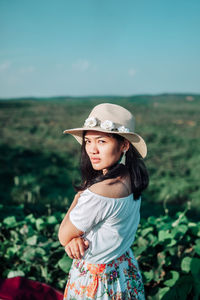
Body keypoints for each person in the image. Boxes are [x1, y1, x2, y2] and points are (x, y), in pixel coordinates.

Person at [58, 103, 149, 300]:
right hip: (123, 269)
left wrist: (79, 196)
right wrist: (75, 238)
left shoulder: (101, 191)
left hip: (97, 280)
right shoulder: (131, 176)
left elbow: (63, 235)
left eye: (101, 141)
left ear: (124, 145)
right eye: (88, 141)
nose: (92, 150)